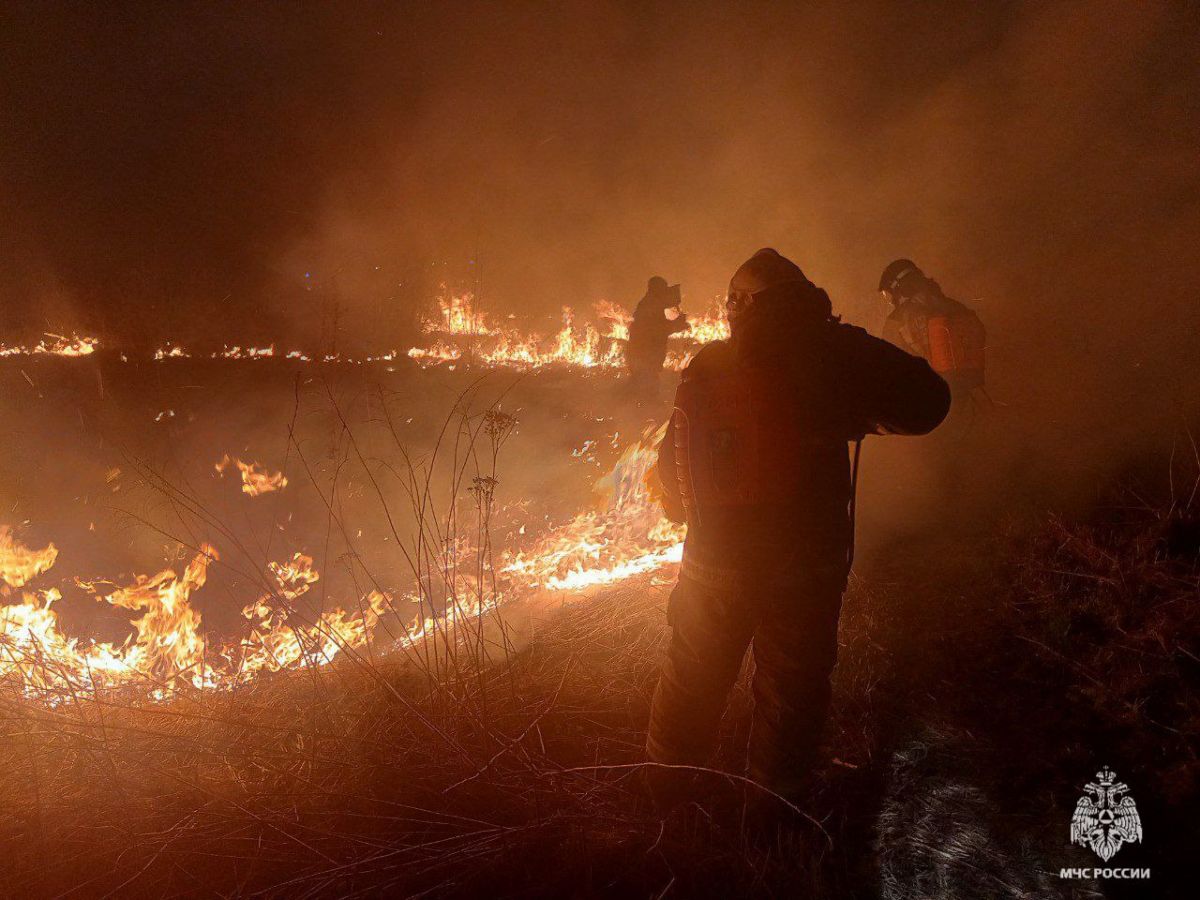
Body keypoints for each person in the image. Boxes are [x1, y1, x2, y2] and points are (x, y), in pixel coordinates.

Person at [646, 248, 950, 808]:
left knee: (692, 673)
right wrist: (858, 413)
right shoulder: (837, 353)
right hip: (804, 564)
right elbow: (930, 403)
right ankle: (774, 810)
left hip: (712, 562)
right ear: (804, 299)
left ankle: (662, 798)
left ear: (739, 306)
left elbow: (673, 462)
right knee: (792, 686)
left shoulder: (709, 362)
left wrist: (684, 511)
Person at [879, 259, 987, 403]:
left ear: (898, 288)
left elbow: (887, 362)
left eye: (888, 294)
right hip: (968, 390)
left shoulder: (898, 320)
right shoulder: (957, 307)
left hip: (927, 395)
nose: (890, 300)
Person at [625, 276, 689, 391]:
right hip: (644, 358)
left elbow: (658, 327)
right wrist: (677, 325)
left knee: (642, 387)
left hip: (643, 358)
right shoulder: (649, 306)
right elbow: (657, 330)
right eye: (663, 289)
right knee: (645, 389)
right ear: (657, 290)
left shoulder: (651, 304)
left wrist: (676, 324)